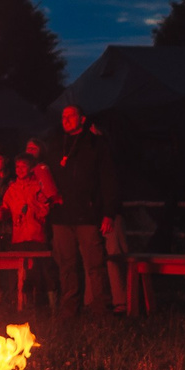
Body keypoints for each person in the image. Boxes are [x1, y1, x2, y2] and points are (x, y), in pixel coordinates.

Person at [49, 105, 120, 314]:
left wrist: (108, 212)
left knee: (95, 265)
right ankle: (69, 309)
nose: (66, 119)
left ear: (82, 119)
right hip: (61, 216)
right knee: (67, 266)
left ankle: (101, 308)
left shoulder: (95, 144)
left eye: (71, 116)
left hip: (88, 214)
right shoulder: (56, 145)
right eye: (63, 116)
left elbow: (108, 179)